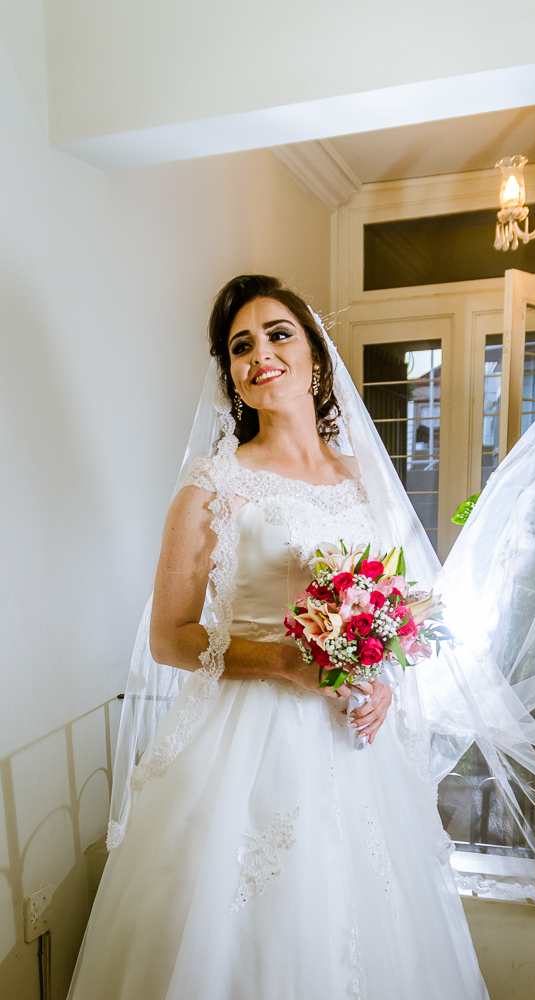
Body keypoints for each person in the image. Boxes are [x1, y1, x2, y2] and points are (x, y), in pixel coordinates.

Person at [66, 275, 489, 1000]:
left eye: (278, 333)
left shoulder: (362, 479)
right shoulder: (214, 485)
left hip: (354, 745)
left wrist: (381, 681)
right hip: (244, 742)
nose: (260, 353)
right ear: (230, 376)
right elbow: (169, 639)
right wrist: (283, 663)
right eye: (240, 346)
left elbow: (388, 610)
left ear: (316, 357)